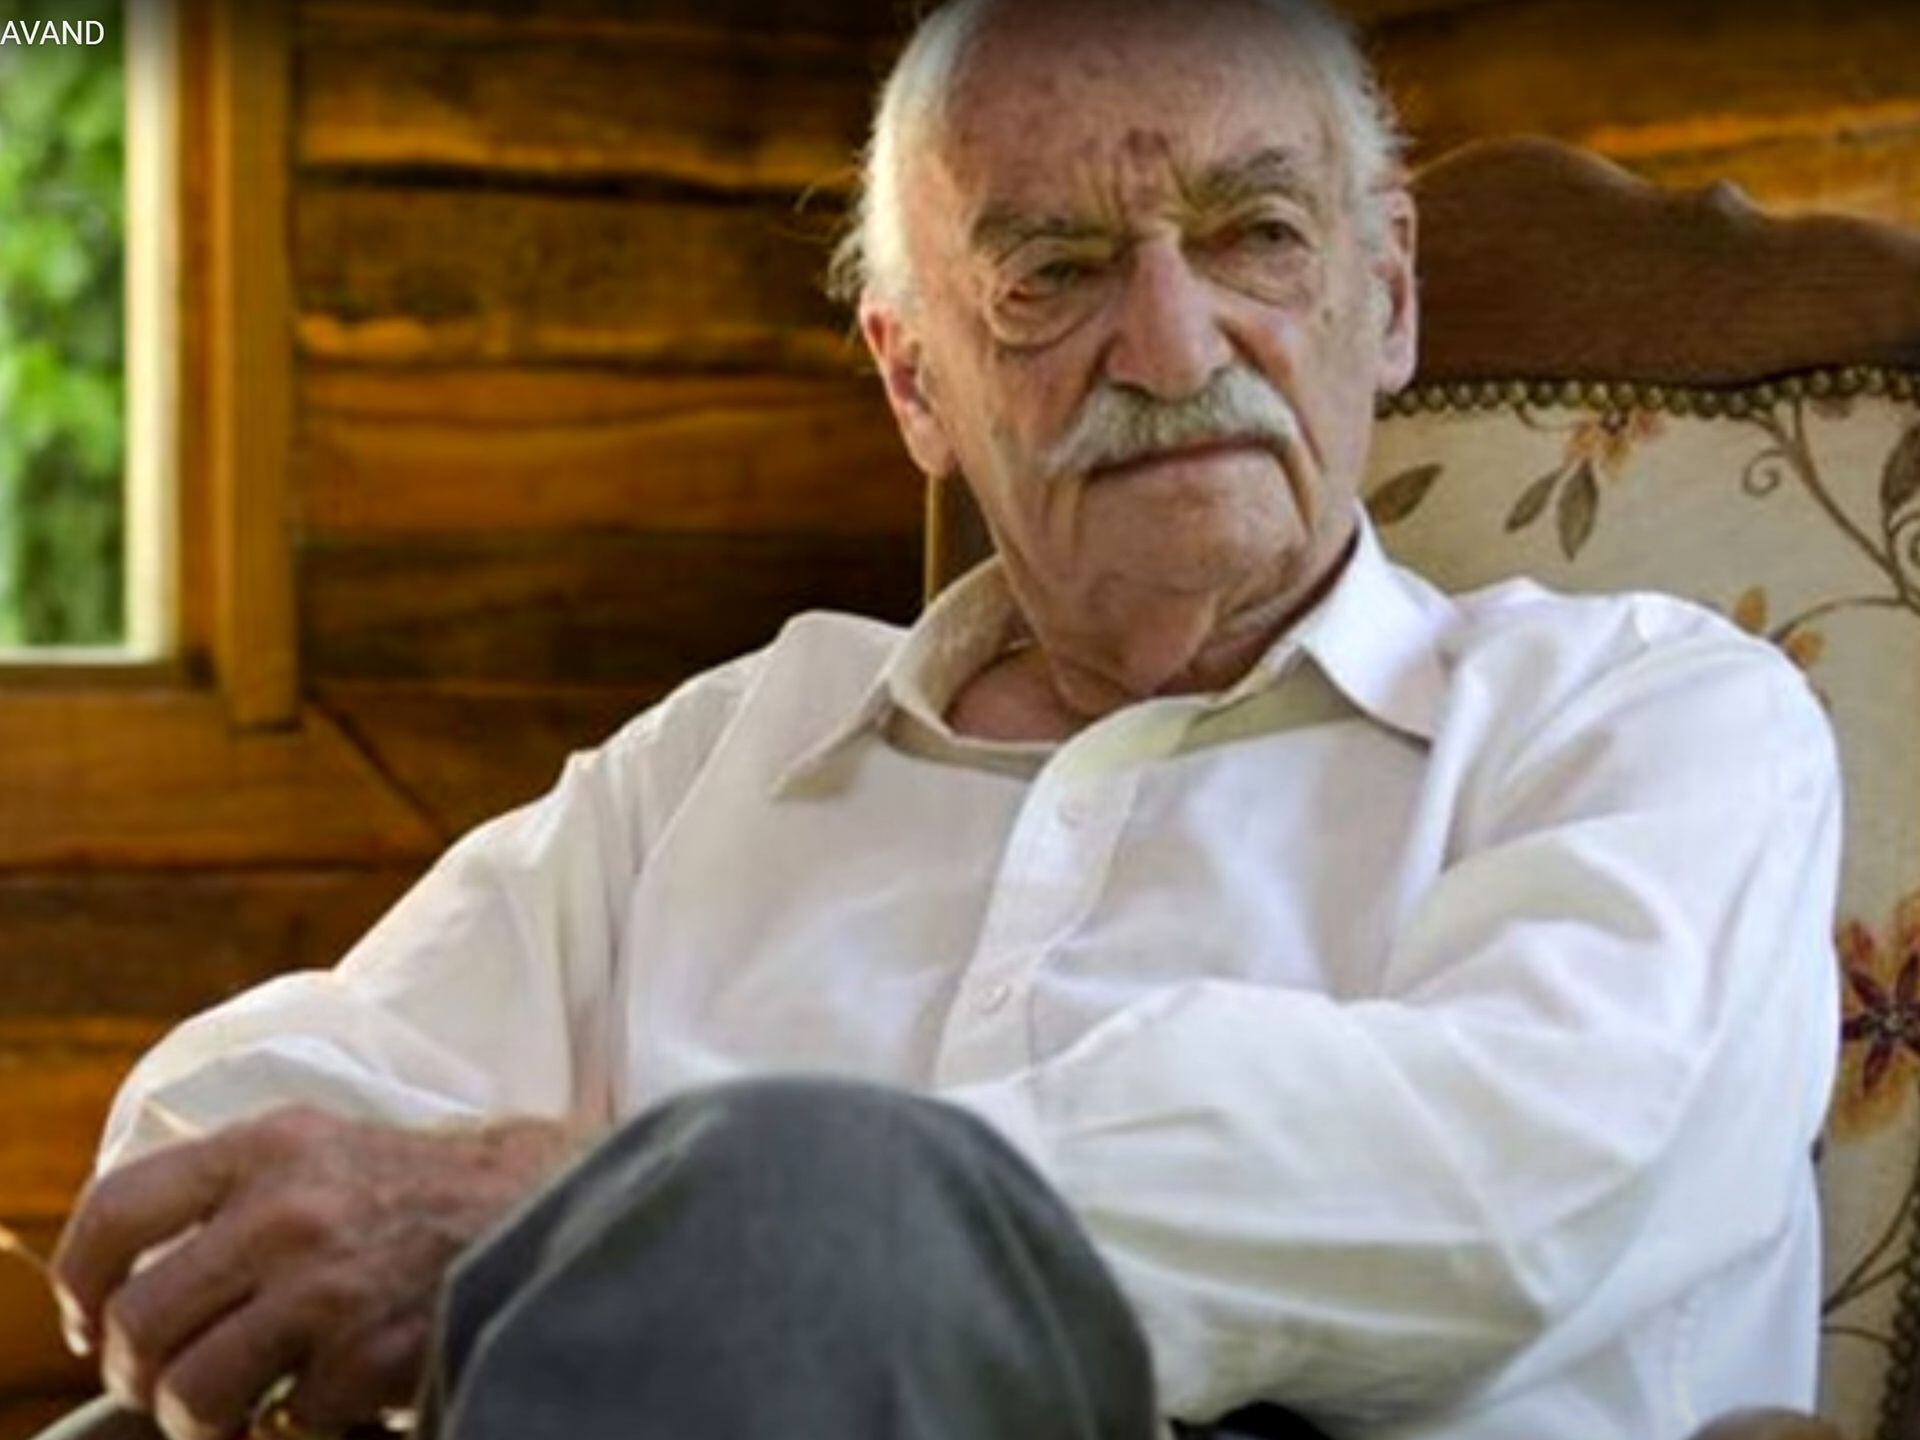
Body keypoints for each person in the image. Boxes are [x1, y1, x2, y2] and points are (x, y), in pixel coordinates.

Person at [50, 2, 1842, 1438]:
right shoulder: (726, 757)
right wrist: (514, 1227)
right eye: (1052, 271)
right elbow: (231, 1148)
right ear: (916, 380)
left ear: (1386, 298)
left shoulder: (1650, 717)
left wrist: (686, 1223)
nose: (1172, 345)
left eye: (1257, 236)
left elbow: (1519, 1181)